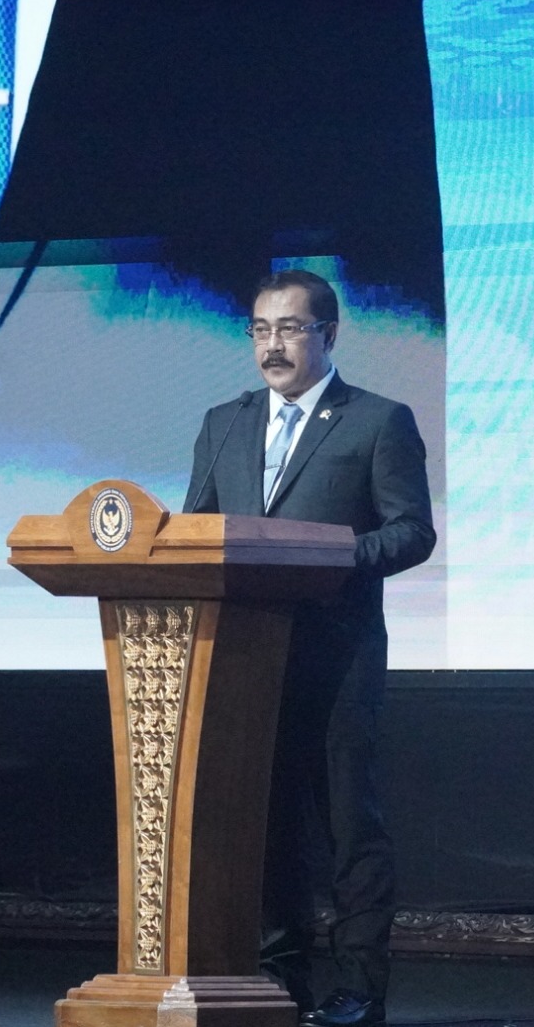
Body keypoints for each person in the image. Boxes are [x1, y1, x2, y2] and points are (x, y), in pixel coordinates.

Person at [184, 269, 435, 1027]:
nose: (273, 345)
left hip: (336, 659)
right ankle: (277, 977)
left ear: (328, 334)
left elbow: (412, 531)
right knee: (264, 824)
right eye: (260, 329)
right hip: (244, 663)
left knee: (349, 827)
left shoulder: (377, 420)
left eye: (290, 328)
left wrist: (329, 558)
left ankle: (358, 987)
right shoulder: (223, 423)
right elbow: (195, 531)